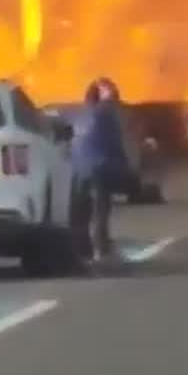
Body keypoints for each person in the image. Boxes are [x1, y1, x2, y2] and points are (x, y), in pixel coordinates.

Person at [71, 77, 129, 263]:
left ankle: (83, 250)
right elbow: (114, 143)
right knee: (100, 210)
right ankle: (101, 250)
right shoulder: (105, 115)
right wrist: (124, 166)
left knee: (82, 212)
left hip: (80, 169)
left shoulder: (80, 115)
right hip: (99, 168)